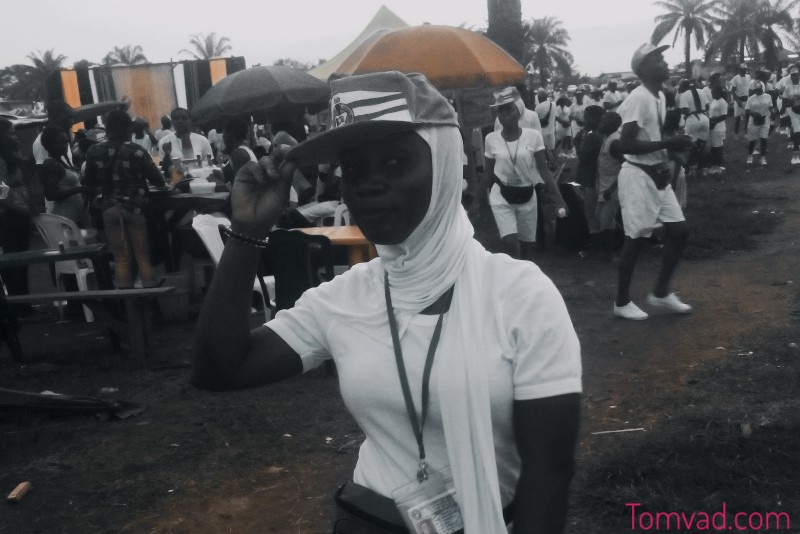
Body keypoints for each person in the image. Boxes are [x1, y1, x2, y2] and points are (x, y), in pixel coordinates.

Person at [191, 71, 582, 534]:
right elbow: (221, 368)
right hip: (369, 520)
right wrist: (247, 234)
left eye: (396, 161)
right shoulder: (344, 298)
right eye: (354, 169)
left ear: (443, 165)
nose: (368, 185)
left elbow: (548, 472)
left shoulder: (521, 296)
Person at [613, 43, 694, 321]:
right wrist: (668, 142)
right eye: (658, 59)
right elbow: (626, 144)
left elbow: (651, 136)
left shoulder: (658, 96)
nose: (665, 62)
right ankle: (621, 302)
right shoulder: (638, 97)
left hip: (656, 174)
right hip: (637, 175)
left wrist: (674, 153)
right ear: (643, 68)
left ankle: (660, 293)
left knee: (680, 231)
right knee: (635, 239)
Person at [83, 110, 167, 289]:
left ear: (107, 128)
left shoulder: (94, 150)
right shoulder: (136, 150)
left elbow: (89, 182)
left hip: (109, 209)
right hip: (134, 208)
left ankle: (129, 308)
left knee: (121, 258)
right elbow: (158, 181)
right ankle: (150, 303)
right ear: (128, 127)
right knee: (143, 257)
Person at [485, 87, 566, 261]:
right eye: (500, 110)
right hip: (502, 193)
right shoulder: (492, 138)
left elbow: (543, 168)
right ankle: (515, 273)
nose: (504, 113)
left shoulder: (533, 132)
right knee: (512, 244)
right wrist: (477, 201)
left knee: (526, 246)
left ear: (518, 109)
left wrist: (558, 197)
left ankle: (529, 263)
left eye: (509, 108)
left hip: (528, 187)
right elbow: (487, 171)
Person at [0, 119, 34, 314]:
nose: (15, 137)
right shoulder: (2, 160)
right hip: (10, 215)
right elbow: (0, 195)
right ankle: (20, 305)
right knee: (15, 261)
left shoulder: (13, 155)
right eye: (11, 133)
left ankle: (25, 302)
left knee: (23, 260)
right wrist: (21, 209)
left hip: (20, 213)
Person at [40, 125, 91, 226]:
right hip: (65, 218)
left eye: (66, 141)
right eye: (62, 142)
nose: (66, 145)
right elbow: (50, 195)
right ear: (50, 144)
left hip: (75, 217)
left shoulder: (61, 161)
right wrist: (79, 189)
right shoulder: (51, 164)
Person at [574, 105, 605, 256]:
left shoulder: (592, 136)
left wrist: (577, 142)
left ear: (595, 118)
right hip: (596, 176)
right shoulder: (599, 133)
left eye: (586, 117)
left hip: (590, 177)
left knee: (591, 213)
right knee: (595, 211)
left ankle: (596, 246)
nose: (584, 120)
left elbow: (583, 157)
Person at [595, 112, 624, 259]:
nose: (600, 125)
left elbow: (625, 166)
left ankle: (610, 253)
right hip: (605, 186)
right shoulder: (607, 138)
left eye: (603, 122)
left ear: (613, 125)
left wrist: (612, 188)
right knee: (601, 218)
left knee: (606, 221)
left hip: (612, 188)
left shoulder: (615, 142)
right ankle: (623, 241)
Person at [678, 81, 710, 176]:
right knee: (702, 146)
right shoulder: (701, 91)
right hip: (704, 118)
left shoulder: (684, 94)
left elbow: (685, 110)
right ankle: (704, 169)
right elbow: (707, 106)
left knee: (691, 146)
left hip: (692, 119)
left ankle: (692, 170)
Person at [744, 81, 774, 166]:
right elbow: (747, 111)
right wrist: (754, 114)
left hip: (765, 119)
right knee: (752, 140)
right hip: (754, 120)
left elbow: (771, 107)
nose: (757, 91)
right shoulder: (751, 98)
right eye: (755, 90)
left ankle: (762, 158)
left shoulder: (768, 96)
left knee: (764, 139)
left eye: (758, 89)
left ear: (762, 87)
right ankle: (750, 156)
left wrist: (773, 112)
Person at [781, 66, 800, 165]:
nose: (794, 77)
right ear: (791, 77)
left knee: (797, 131)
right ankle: (796, 155)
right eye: (793, 75)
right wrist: (783, 108)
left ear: (799, 76)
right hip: (794, 112)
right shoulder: (788, 88)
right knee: (797, 132)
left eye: (796, 75)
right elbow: (784, 99)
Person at [707, 85, 729, 174]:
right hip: (713, 126)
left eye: (713, 92)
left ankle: (717, 167)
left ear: (718, 93)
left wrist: (713, 121)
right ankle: (715, 165)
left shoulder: (722, 102)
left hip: (718, 127)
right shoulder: (714, 101)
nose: (712, 94)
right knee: (714, 147)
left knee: (717, 147)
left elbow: (724, 116)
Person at [730, 64, 752, 135]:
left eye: (745, 69)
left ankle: (746, 133)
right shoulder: (735, 78)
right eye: (743, 69)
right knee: (737, 118)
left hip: (747, 99)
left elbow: (750, 89)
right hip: (739, 99)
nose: (744, 71)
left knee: (747, 117)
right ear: (740, 70)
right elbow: (732, 91)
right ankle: (736, 134)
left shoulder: (748, 77)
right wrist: (737, 100)